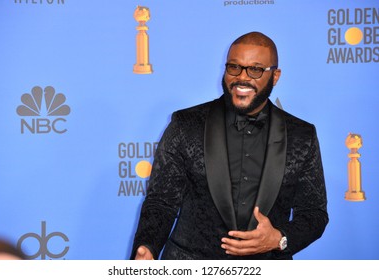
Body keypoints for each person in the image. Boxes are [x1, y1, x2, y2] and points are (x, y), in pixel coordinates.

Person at [130, 31, 328, 260]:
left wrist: (279, 239)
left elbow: (314, 213)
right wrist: (147, 247)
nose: (242, 77)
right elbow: (161, 202)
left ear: (275, 76)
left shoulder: (302, 135)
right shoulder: (186, 125)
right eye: (234, 67)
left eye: (255, 69)